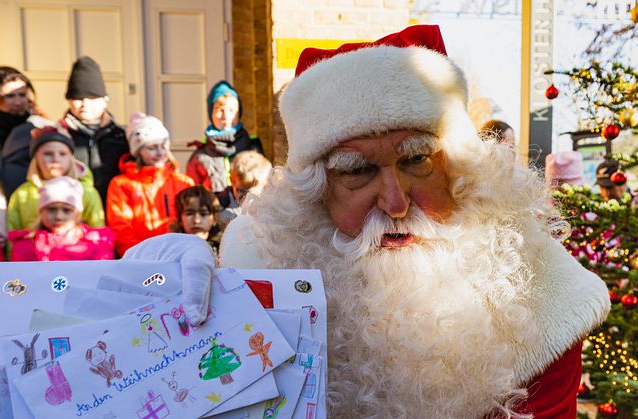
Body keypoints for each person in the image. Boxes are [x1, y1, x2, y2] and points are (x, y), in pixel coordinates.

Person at [127, 25, 609, 417]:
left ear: (462, 172)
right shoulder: (261, 271)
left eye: (418, 159)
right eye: (356, 171)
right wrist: (145, 294)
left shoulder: (544, 302)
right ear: (315, 196)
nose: (395, 202)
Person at [106, 112, 194, 256]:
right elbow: (120, 227)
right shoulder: (121, 185)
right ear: (138, 151)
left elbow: (194, 221)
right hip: (140, 259)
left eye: (163, 146)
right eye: (152, 148)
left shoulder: (183, 182)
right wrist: (137, 255)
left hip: (178, 256)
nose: (160, 152)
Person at [7, 125, 104, 232]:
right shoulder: (22, 194)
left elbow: (98, 233)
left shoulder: (87, 192)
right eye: (48, 154)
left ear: (71, 158)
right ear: (36, 157)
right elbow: (13, 234)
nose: (56, 159)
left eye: (62, 154)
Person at [62, 56, 130, 204]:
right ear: (69, 100)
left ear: (105, 100)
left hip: (117, 214)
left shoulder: (124, 137)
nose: (85, 104)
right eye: (78, 98)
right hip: (71, 214)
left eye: (92, 98)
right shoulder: (59, 136)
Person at [8, 176, 114, 261]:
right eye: (51, 209)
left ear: (77, 214)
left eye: (67, 210)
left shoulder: (97, 246)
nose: (59, 216)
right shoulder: (24, 247)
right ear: (41, 211)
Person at [186, 81, 263, 194]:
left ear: (239, 113)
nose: (226, 116)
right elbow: (193, 196)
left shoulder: (253, 147)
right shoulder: (200, 156)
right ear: (210, 114)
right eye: (219, 110)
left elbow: (265, 185)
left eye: (231, 110)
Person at [0, 66, 49, 196]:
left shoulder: (39, 124)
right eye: (10, 96)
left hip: (32, 198)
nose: (18, 102)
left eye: (22, 95)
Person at [215, 150, 272, 229]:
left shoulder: (270, 204)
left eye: (253, 194)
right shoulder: (221, 203)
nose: (246, 198)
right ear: (232, 181)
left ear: (266, 185)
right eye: (241, 191)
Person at [170, 186, 222, 256]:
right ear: (180, 219)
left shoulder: (225, 250)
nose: (197, 220)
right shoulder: (171, 251)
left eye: (203, 214)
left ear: (214, 219)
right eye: (189, 213)